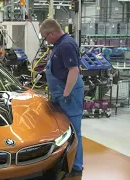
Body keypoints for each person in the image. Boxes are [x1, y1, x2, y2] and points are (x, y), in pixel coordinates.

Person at [39, 19, 84, 177]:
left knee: (74, 130)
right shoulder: (59, 44)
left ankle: (76, 167)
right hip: (61, 91)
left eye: (45, 37)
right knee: (61, 129)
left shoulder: (66, 45)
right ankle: (64, 161)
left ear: (51, 33)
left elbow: (74, 71)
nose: (46, 40)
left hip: (69, 94)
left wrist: (66, 94)